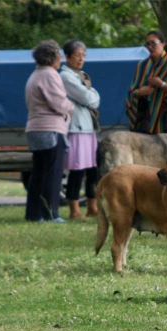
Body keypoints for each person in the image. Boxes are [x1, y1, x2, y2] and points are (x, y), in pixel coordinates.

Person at [24, 40, 75, 223]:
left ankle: (33, 213)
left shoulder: (35, 75)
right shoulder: (50, 75)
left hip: (35, 129)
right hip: (50, 129)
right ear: (52, 57)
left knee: (38, 172)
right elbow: (59, 103)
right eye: (59, 56)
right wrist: (71, 106)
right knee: (53, 173)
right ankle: (50, 213)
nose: (61, 59)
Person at [59, 39, 101, 220]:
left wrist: (92, 96)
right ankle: (74, 210)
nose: (81, 59)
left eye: (83, 55)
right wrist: (94, 95)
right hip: (76, 128)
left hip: (88, 127)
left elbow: (90, 97)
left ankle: (93, 207)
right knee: (77, 170)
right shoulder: (66, 76)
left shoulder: (81, 74)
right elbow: (89, 98)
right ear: (67, 56)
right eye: (77, 55)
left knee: (92, 169)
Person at [125, 30, 167, 135]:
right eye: (147, 44)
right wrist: (140, 92)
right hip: (145, 121)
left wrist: (162, 84)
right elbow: (131, 94)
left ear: (163, 44)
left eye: (153, 43)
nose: (150, 47)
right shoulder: (141, 66)